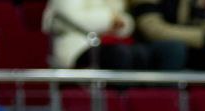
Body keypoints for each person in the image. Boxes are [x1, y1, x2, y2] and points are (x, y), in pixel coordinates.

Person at [44, 0, 185, 71]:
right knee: (120, 54)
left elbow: (127, 23)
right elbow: (78, 19)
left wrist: (116, 22)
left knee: (165, 51)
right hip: (78, 48)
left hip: (113, 44)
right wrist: (110, 20)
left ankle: (156, 109)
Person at [130, 0, 205, 72]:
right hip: (147, 45)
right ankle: (166, 98)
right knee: (174, 49)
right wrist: (201, 37)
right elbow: (151, 30)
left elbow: (201, 22)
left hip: (185, 43)